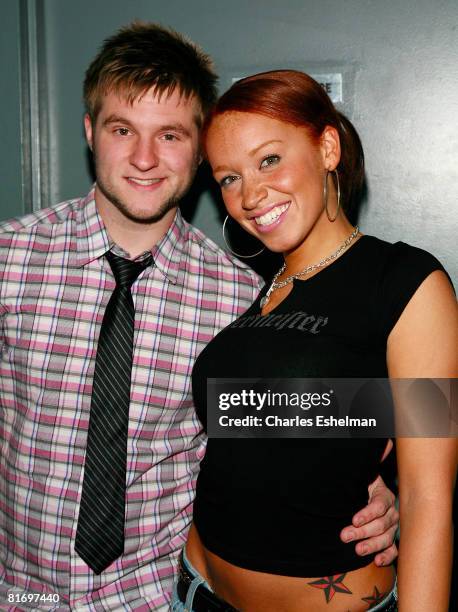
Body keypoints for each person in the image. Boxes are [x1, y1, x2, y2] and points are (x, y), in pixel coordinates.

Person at [0, 25, 399, 610]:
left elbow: (313, 415)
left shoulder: (247, 299)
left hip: (165, 595)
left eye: (170, 135)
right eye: (121, 130)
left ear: (201, 148)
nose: (143, 158)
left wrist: (388, 486)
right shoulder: (9, 260)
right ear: (90, 133)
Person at [174, 70, 457, 611]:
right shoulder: (259, 292)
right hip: (197, 590)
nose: (250, 195)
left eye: (269, 160)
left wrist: (387, 466)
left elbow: (428, 496)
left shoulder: (407, 282)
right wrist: (358, 428)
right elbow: (262, 428)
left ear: (327, 148)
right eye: (228, 178)